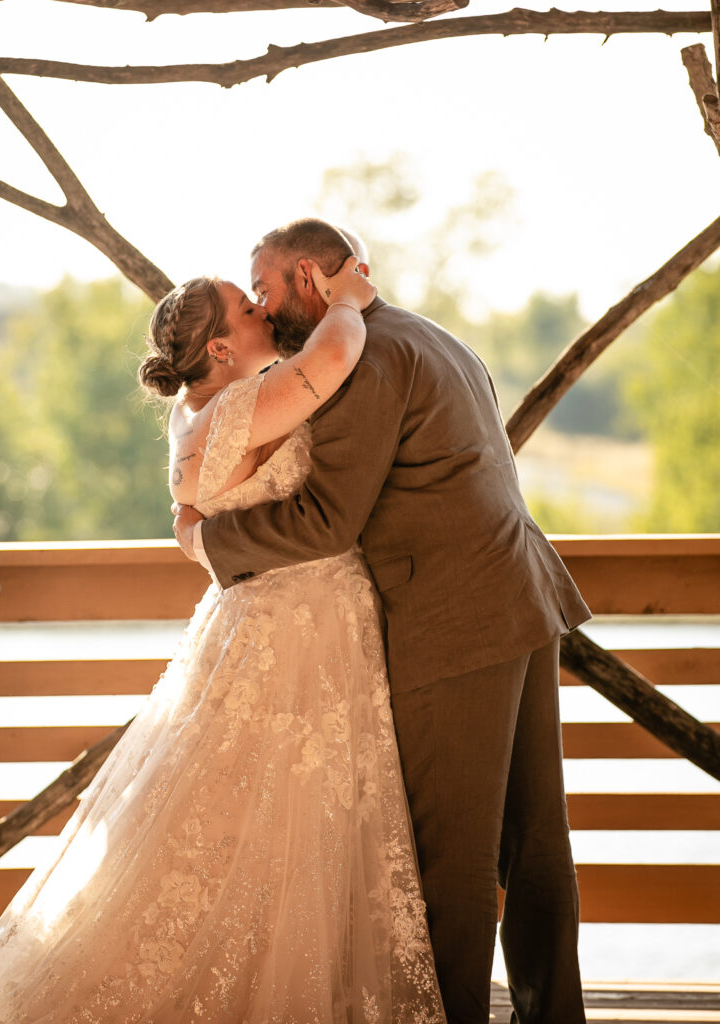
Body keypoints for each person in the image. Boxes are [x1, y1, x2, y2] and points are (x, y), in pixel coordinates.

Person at [0, 258, 447, 1024]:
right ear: (220, 349)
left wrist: (196, 538)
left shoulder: (189, 416)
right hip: (304, 618)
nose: (262, 311)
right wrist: (351, 298)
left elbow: (199, 513)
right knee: (294, 801)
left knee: (244, 802)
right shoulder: (247, 402)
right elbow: (333, 355)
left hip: (251, 615)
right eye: (247, 311)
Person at [174, 217, 592, 1024]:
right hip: (520, 593)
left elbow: (328, 520)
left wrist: (206, 539)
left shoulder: (367, 359)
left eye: (263, 290)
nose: (264, 309)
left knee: (452, 856)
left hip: (455, 616)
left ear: (307, 277)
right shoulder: (435, 336)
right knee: (536, 839)